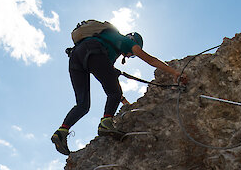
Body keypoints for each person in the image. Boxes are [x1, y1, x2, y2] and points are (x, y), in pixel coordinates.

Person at [51, 27, 187, 155]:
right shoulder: (127, 42)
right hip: (92, 51)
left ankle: (61, 131)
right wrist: (175, 72)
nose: (129, 56)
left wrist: (121, 97)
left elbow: (105, 76)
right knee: (114, 92)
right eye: (132, 54)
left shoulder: (108, 41)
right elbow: (150, 60)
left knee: (82, 105)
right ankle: (106, 123)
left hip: (75, 56)